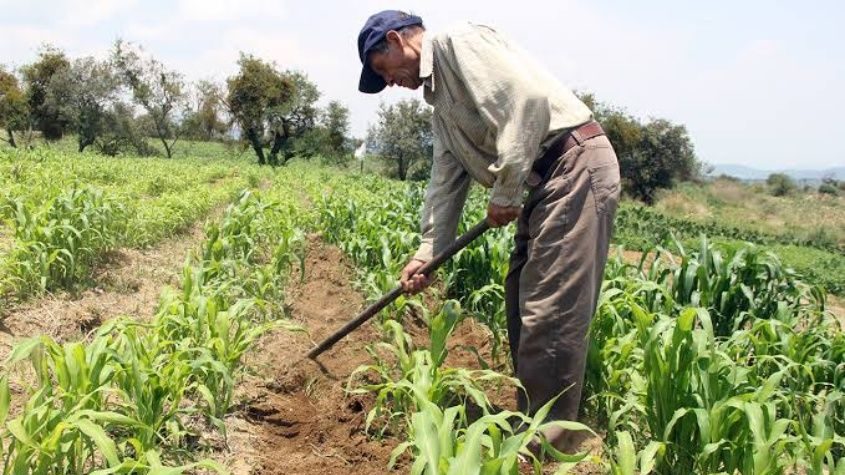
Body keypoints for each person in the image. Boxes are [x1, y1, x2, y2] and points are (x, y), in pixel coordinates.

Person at [356, 10, 620, 452]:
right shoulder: (441, 104)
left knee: (550, 312)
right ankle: (533, 424)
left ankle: (547, 448)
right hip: (543, 183)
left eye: (384, 71)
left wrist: (507, 188)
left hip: (571, 166)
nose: (390, 83)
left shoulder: (458, 43)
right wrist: (427, 252)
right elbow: (446, 180)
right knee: (522, 301)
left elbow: (529, 100)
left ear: (397, 40)